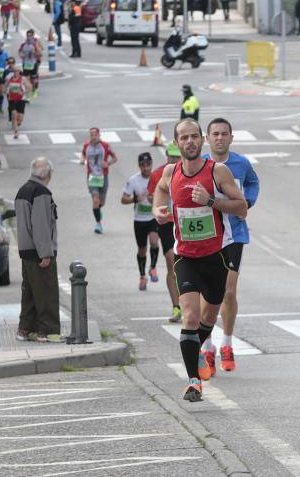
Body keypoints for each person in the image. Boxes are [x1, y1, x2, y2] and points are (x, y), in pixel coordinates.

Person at [152, 118, 248, 402]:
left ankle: (198, 349)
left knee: (207, 318)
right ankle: (194, 381)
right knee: (191, 316)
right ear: (176, 143)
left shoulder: (217, 172)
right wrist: (158, 209)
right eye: (184, 138)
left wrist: (210, 201)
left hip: (216, 256)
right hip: (186, 257)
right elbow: (160, 190)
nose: (190, 142)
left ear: (202, 140)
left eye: (194, 136)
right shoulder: (170, 172)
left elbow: (241, 207)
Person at [200, 118, 260, 376]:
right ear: (207, 138)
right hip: (207, 234)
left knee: (229, 292)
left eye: (224, 134)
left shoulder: (241, 164)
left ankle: (226, 343)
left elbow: (253, 183)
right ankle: (207, 346)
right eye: (215, 134)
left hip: (234, 233)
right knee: (206, 294)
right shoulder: (200, 164)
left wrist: (247, 202)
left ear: (231, 138)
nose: (220, 138)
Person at [15, 156, 62, 344]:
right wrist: (46, 253)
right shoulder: (41, 192)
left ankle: (25, 330)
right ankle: (48, 332)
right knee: (46, 292)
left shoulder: (23, 190)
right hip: (38, 251)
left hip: (26, 250)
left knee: (30, 293)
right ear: (47, 173)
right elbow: (41, 225)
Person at [148, 142, 183, 323]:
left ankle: (190, 302)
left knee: (187, 263)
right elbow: (150, 196)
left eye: (178, 157)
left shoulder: (189, 172)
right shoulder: (157, 174)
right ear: (167, 155)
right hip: (167, 223)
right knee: (172, 263)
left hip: (184, 221)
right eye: (172, 156)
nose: (174, 160)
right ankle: (176, 307)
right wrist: (158, 201)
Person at [122, 152, 162, 291]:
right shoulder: (133, 180)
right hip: (139, 220)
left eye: (148, 165)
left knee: (154, 241)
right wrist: (134, 199)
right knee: (142, 250)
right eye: (143, 165)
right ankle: (142, 276)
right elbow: (123, 199)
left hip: (153, 217)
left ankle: (153, 268)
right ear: (139, 166)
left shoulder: (157, 178)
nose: (146, 168)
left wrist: (156, 200)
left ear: (151, 164)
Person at [80, 127, 118, 233]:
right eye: (91, 135)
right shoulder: (86, 146)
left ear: (99, 135)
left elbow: (115, 158)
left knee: (102, 202)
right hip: (92, 177)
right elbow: (83, 154)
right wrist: (82, 159)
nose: (93, 137)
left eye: (95, 135)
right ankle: (98, 224)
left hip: (103, 176)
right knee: (95, 201)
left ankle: (97, 210)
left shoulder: (105, 146)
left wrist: (108, 163)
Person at [4, 65, 31, 138]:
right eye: (14, 71)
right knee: (14, 115)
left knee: (20, 119)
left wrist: (22, 93)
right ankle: (16, 132)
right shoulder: (9, 79)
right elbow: (5, 87)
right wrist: (6, 91)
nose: (15, 73)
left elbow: (29, 88)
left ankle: (17, 123)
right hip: (12, 99)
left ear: (19, 72)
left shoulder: (23, 79)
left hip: (21, 100)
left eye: (17, 71)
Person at [19, 29, 43, 100]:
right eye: (28, 36)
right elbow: (20, 52)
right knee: (26, 80)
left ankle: (34, 90)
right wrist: (22, 55)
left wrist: (34, 52)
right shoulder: (23, 44)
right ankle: (28, 96)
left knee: (33, 79)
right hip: (26, 64)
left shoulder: (35, 43)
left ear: (33, 36)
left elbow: (40, 53)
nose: (29, 37)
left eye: (30, 36)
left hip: (33, 63)